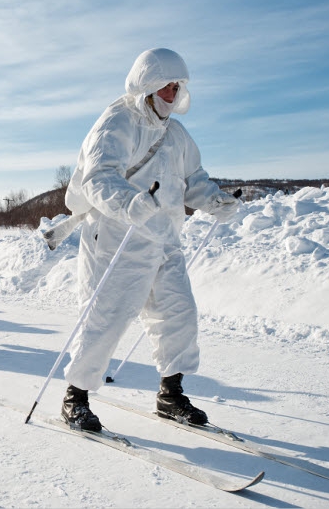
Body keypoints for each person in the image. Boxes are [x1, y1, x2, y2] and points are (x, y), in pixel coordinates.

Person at [60, 48, 241, 431]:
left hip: (164, 239)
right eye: (167, 87)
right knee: (105, 316)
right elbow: (98, 177)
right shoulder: (117, 122)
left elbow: (194, 181)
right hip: (115, 236)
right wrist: (131, 204)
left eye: (177, 88)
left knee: (178, 313)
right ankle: (75, 397)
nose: (173, 95)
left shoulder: (176, 134)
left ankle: (170, 395)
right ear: (149, 87)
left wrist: (215, 201)